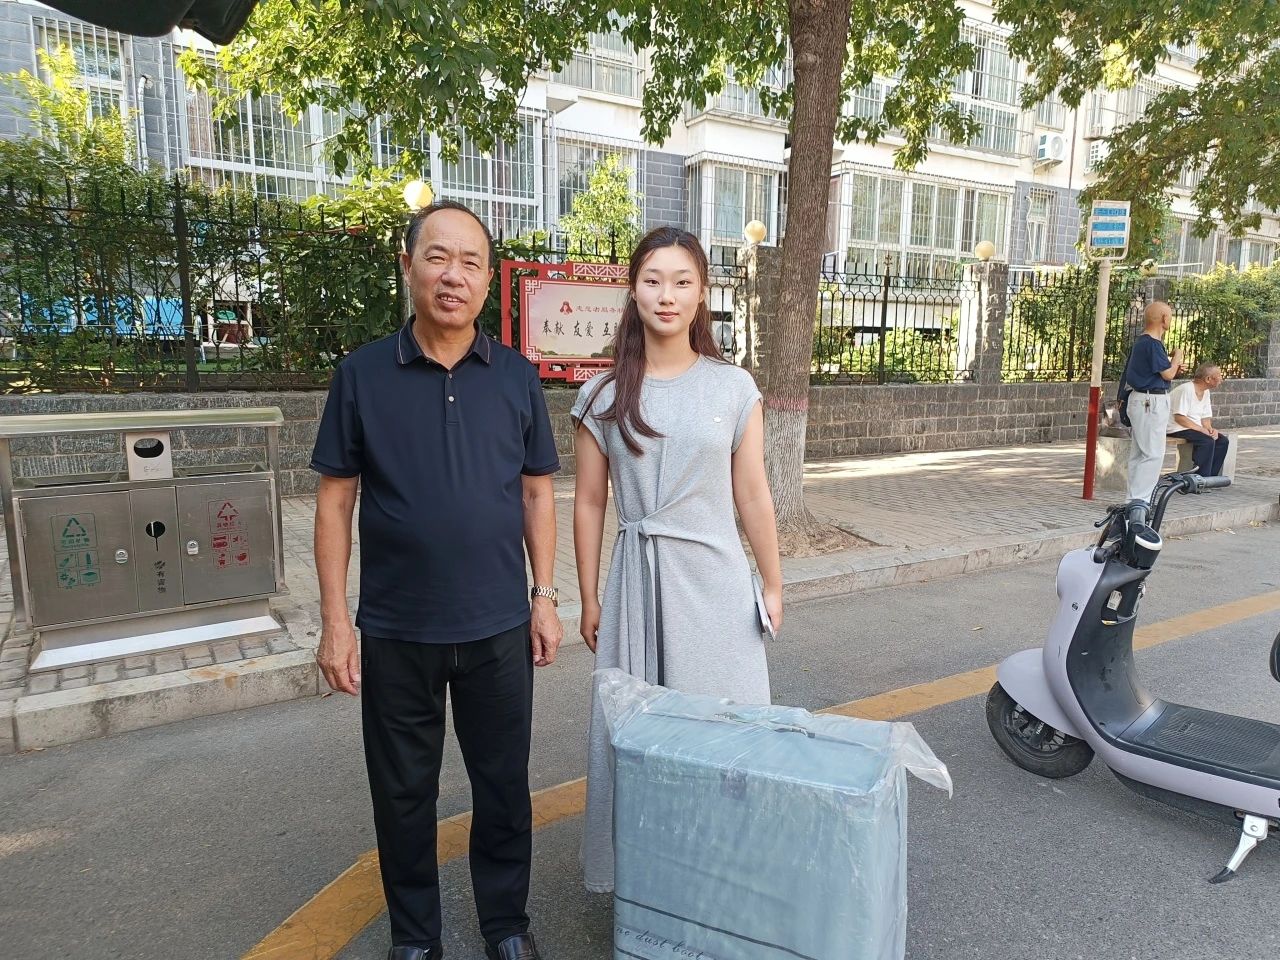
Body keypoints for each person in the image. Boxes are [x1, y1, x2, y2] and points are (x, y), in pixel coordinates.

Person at [310, 201, 562, 960]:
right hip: (396, 627)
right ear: (409, 266)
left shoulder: (515, 377)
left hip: (498, 625)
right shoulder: (361, 376)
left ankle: (505, 926)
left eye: (471, 263)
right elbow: (335, 501)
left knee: (504, 786)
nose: (454, 276)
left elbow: (537, 493)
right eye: (438, 257)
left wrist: (545, 597)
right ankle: (415, 937)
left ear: (489, 280)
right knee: (402, 792)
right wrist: (335, 622)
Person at [571, 226, 784, 893]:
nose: (667, 295)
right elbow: (589, 503)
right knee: (641, 737)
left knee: (730, 729)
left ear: (701, 294)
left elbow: (753, 494)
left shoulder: (733, 387)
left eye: (682, 281)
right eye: (653, 280)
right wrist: (588, 597)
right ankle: (652, 887)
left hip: (718, 585)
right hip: (637, 586)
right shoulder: (603, 396)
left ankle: (729, 881)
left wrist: (773, 583)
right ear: (633, 292)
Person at [1120, 300, 1184, 502]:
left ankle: (1133, 499)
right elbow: (1168, 374)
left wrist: (1173, 366)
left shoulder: (1143, 342)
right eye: (1170, 316)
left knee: (1140, 453)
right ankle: (1141, 501)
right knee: (1153, 454)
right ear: (1164, 319)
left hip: (1142, 399)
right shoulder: (1152, 344)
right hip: (1150, 401)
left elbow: (1157, 372)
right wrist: (1177, 356)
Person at [1167, 362, 1230, 477]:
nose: (1221, 379)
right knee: (1206, 441)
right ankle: (1199, 477)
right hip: (1176, 427)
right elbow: (1179, 418)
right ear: (1208, 379)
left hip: (1191, 428)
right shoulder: (1186, 389)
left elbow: (1205, 417)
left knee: (1222, 441)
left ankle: (1210, 477)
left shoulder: (1206, 392)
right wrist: (1201, 430)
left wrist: (1210, 430)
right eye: (1219, 375)